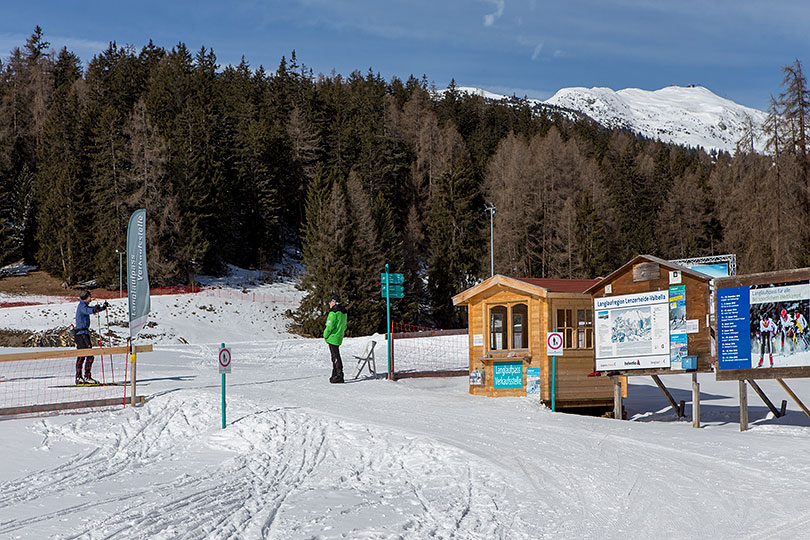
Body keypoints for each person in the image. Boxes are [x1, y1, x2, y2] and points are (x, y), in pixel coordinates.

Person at [74, 290, 108, 384]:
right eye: (90, 296)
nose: (91, 298)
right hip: (81, 334)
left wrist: (102, 308)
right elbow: (88, 310)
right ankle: (82, 377)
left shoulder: (83, 305)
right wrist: (94, 309)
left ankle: (83, 376)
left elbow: (90, 309)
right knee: (85, 355)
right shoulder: (82, 305)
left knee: (88, 355)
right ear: (86, 297)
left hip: (84, 333)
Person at [323, 294, 348, 383]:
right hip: (339, 336)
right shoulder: (343, 312)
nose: (329, 304)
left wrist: (325, 334)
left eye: (330, 302)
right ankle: (335, 373)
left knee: (335, 356)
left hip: (332, 337)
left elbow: (329, 326)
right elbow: (344, 326)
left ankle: (339, 374)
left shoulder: (333, 312)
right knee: (335, 355)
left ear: (333, 302)